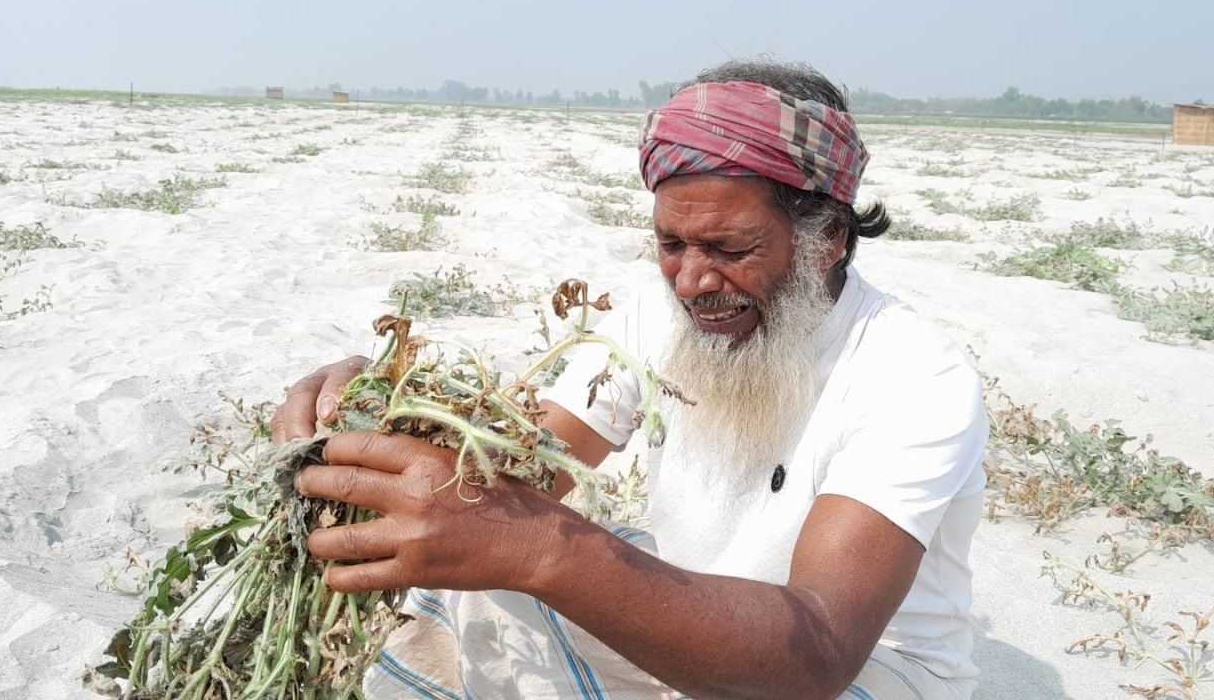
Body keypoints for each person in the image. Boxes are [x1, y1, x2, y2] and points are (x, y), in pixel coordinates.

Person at [273, 59, 988, 700]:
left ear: (827, 239)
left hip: (857, 670)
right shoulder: (655, 316)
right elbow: (519, 475)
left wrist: (545, 549)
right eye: (671, 244)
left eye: (730, 249)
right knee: (472, 573)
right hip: (690, 607)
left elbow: (817, 658)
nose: (692, 281)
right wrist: (383, 402)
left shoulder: (916, 376)